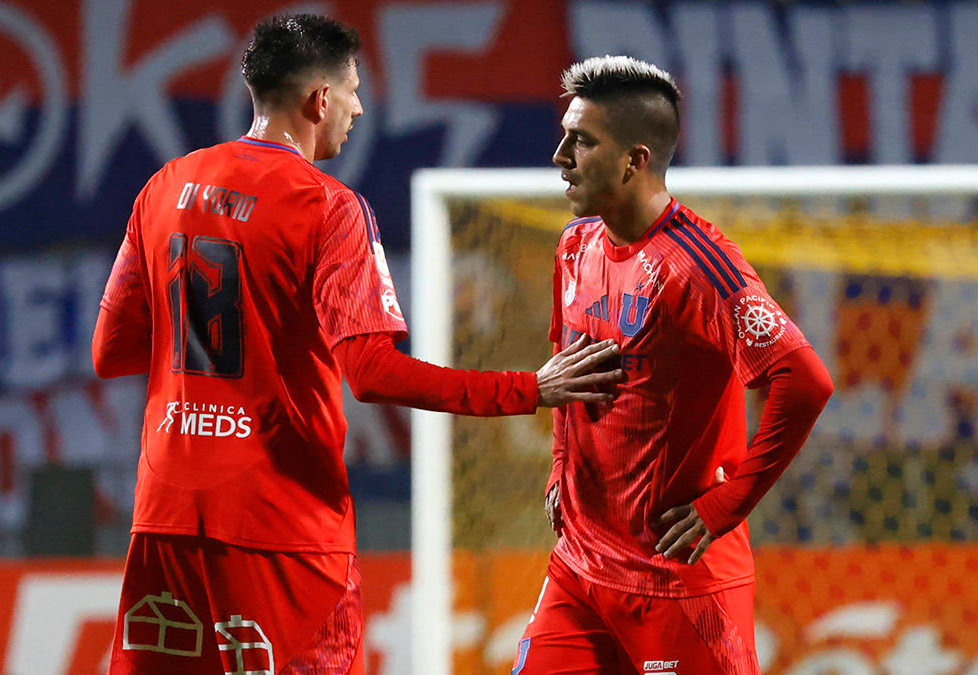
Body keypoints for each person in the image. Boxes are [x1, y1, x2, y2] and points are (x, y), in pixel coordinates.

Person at [93, 15, 623, 675]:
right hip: (279, 524)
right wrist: (530, 388)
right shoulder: (327, 206)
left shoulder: (164, 187)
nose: (359, 107)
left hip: (165, 513)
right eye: (352, 91)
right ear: (319, 100)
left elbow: (109, 351)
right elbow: (370, 374)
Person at [512, 56, 834, 675]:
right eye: (565, 136)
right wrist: (559, 465)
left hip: (679, 585)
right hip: (581, 571)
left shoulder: (699, 263)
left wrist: (727, 504)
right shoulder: (575, 247)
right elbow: (566, 372)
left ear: (635, 159)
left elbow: (805, 380)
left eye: (581, 142)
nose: (560, 156)